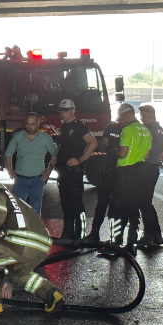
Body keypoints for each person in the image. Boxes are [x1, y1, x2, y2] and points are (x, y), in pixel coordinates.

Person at [0, 182, 64, 314]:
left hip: (23, 241)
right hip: (42, 245)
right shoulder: (16, 201)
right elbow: (10, 257)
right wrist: (9, 279)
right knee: (19, 273)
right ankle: (52, 295)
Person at [106, 103, 152, 256]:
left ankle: (114, 244)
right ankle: (131, 245)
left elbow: (123, 154)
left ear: (126, 115)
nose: (120, 122)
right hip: (141, 174)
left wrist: (112, 150)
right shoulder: (146, 131)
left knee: (115, 210)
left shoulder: (127, 130)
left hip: (125, 174)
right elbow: (147, 155)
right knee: (133, 210)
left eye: (120, 118)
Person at [53, 99, 98, 239]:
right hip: (63, 171)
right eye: (61, 110)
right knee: (65, 204)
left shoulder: (78, 126)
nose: (63, 113)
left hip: (74, 172)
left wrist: (80, 159)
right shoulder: (64, 126)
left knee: (76, 204)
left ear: (73, 110)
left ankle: (80, 234)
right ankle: (67, 234)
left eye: (65, 110)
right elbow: (63, 146)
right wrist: (56, 156)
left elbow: (93, 143)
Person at [4, 112, 58, 215]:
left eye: (33, 124)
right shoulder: (18, 136)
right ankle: (19, 230)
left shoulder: (45, 138)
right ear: (25, 124)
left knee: (35, 210)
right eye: (28, 124)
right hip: (20, 180)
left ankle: (34, 230)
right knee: (17, 210)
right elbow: (8, 153)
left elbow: (55, 154)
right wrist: (9, 169)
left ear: (38, 123)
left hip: (38, 180)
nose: (30, 127)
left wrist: (48, 171)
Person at [83, 121, 121, 242]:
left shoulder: (128, 129)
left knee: (116, 207)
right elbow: (102, 145)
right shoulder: (111, 127)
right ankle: (94, 234)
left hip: (121, 172)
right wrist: (112, 148)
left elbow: (122, 151)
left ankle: (114, 239)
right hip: (108, 169)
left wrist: (110, 146)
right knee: (101, 204)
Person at [138, 105, 163, 248]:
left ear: (149, 114)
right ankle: (156, 234)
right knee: (147, 203)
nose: (141, 118)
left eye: (142, 115)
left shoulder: (147, 130)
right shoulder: (161, 130)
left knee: (143, 203)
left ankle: (148, 236)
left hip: (145, 167)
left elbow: (147, 150)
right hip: (154, 167)